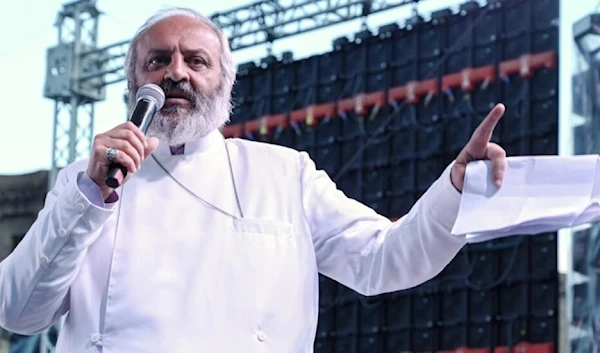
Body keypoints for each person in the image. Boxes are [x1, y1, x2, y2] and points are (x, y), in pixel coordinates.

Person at [0, 7, 508, 353]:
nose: (176, 73)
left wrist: (457, 189)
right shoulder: (82, 181)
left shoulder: (284, 174)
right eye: (158, 61)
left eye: (195, 61)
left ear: (224, 82)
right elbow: (18, 312)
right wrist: (89, 197)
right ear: (135, 84)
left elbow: (385, 259)